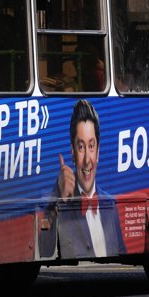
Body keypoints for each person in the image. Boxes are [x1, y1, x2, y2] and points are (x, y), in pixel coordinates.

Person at [43, 99, 125, 259]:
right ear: (72, 152)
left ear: (98, 152)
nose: (87, 159)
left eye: (91, 146)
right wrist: (57, 195)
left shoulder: (111, 206)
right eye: (81, 147)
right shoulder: (60, 197)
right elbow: (45, 249)